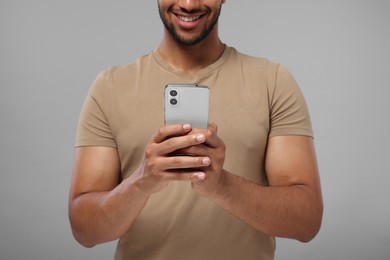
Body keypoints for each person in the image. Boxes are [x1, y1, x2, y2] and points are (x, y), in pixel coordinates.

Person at [68, 0, 323, 259]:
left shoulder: (273, 82)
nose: (189, 4)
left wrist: (221, 185)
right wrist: (142, 182)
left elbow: (306, 222)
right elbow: (85, 230)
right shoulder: (110, 87)